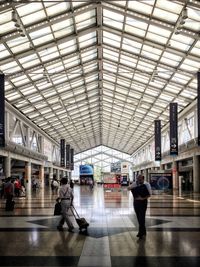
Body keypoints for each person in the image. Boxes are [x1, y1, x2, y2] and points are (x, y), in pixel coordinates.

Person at [128, 175, 151, 239]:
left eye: (140, 179)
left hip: (143, 203)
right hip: (136, 202)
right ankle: (144, 231)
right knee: (138, 217)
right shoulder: (135, 183)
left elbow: (149, 194)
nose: (138, 180)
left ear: (143, 179)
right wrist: (132, 187)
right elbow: (128, 188)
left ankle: (140, 232)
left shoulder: (147, 184)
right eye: (137, 179)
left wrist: (142, 198)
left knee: (142, 217)